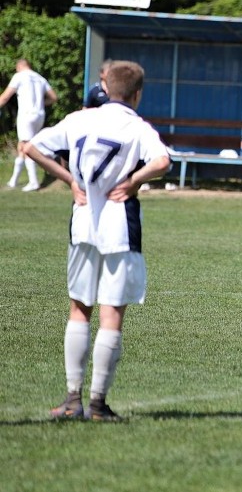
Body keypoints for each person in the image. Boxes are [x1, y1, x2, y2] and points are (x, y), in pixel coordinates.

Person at [23, 60, 171, 421]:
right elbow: (163, 161)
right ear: (137, 94)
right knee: (111, 313)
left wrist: (70, 180)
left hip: (83, 223)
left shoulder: (80, 119)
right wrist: (134, 181)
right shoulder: (137, 127)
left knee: (79, 309)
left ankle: (72, 399)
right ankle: (98, 404)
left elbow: (31, 148)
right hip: (120, 227)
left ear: (106, 88)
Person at [0, 58, 58, 191]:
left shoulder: (20, 76)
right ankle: (13, 181)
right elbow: (53, 97)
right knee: (22, 146)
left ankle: (34, 182)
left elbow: (5, 97)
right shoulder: (40, 78)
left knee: (26, 146)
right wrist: (41, 103)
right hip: (39, 115)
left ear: (18, 66)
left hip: (26, 115)